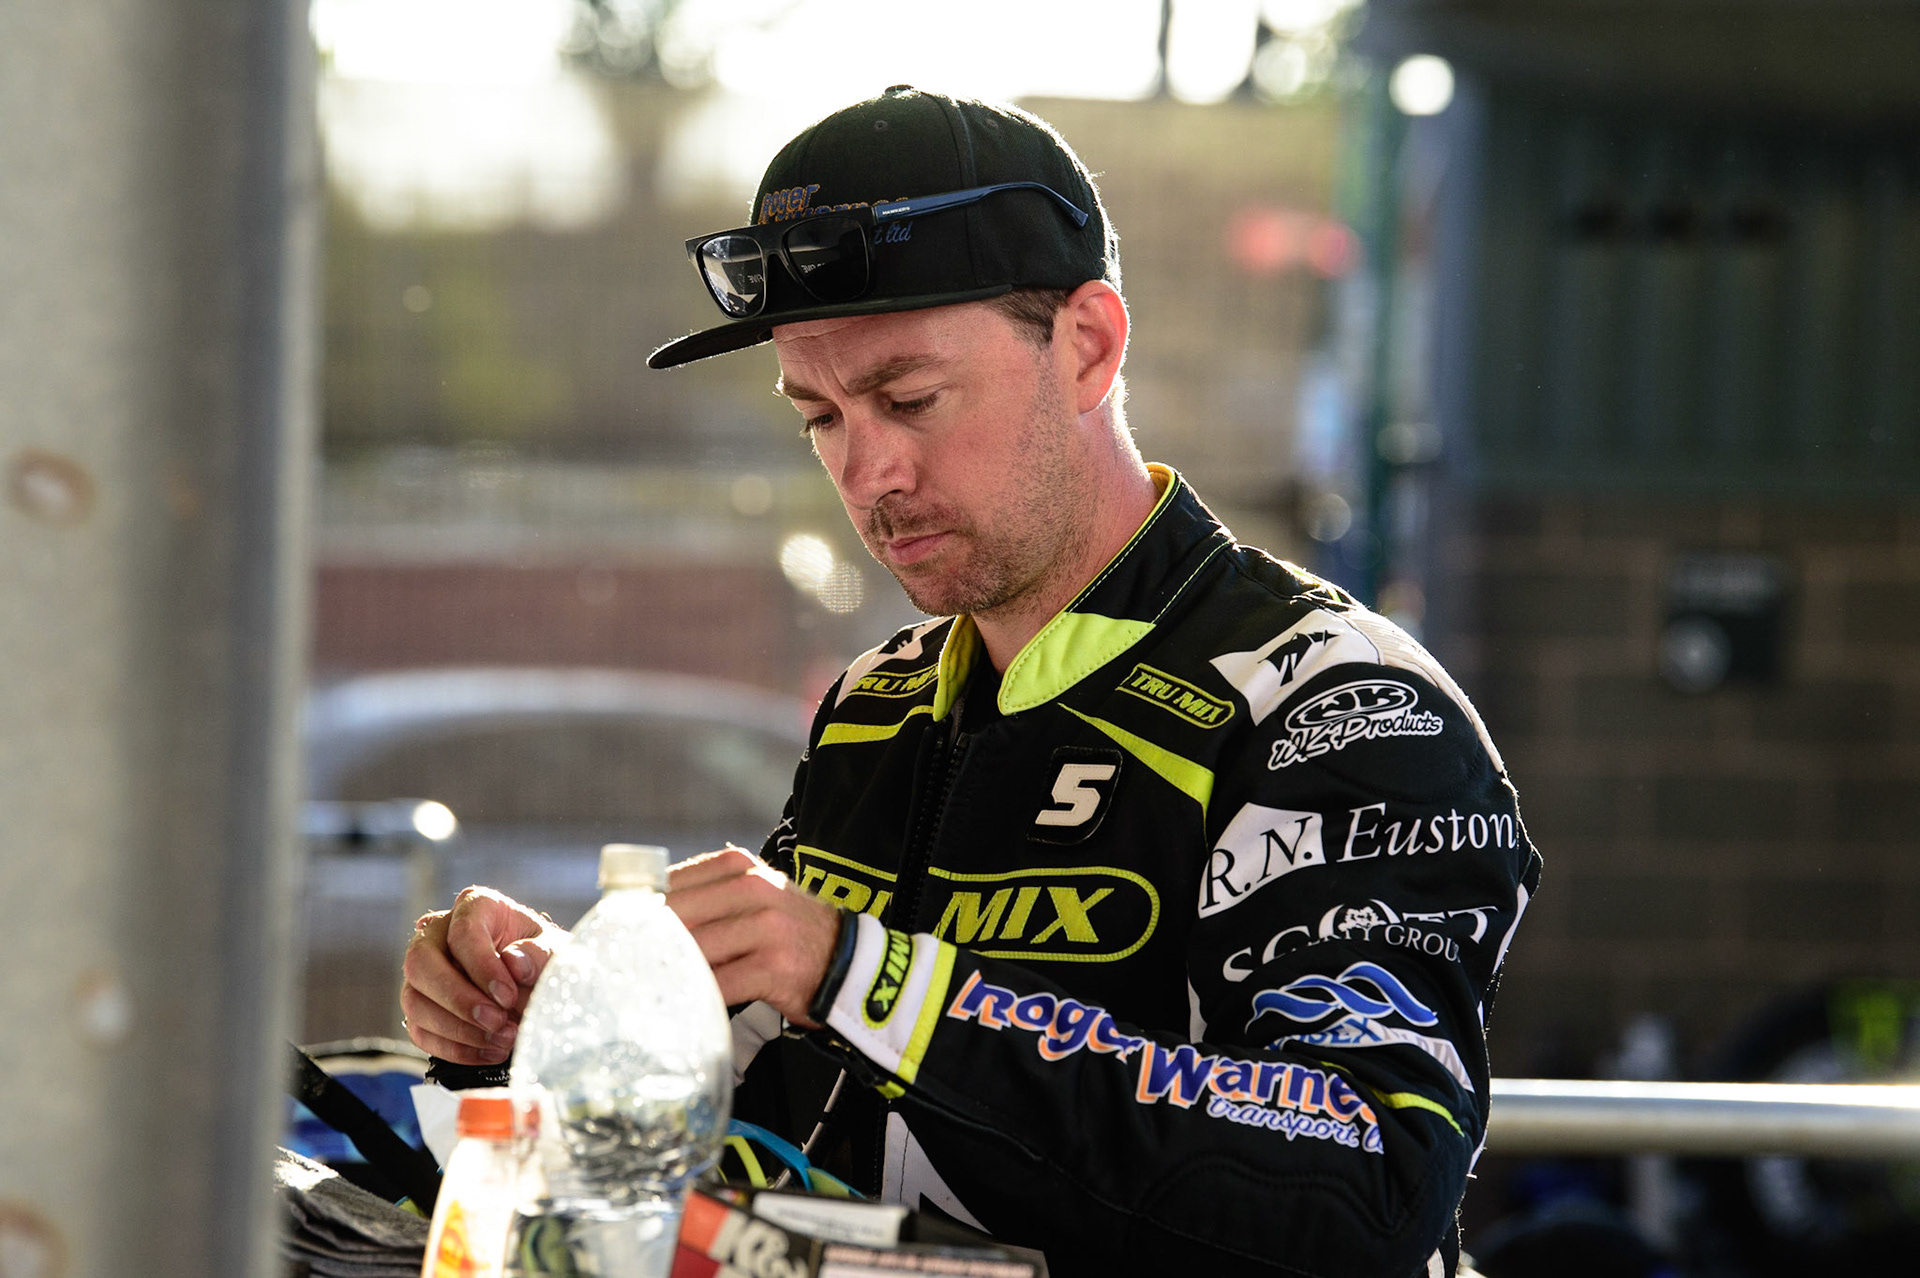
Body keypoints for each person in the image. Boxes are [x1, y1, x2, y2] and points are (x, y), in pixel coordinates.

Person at [401, 86, 1541, 1277]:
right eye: (819, 417)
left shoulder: (1331, 701)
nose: (869, 471)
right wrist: (562, 1025)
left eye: (909, 399)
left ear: (1089, 346)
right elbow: (784, 1129)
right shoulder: (882, 700)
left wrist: (869, 977)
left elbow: (1368, 1184)